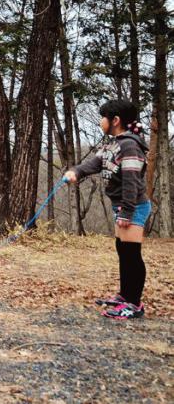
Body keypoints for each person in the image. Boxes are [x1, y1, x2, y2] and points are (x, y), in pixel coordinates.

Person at [63, 100, 150, 319]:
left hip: (133, 206)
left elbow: (132, 182)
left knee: (132, 254)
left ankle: (134, 304)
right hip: (121, 205)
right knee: (123, 249)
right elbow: (95, 163)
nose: (101, 121)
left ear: (116, 120)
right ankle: (124, 295)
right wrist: (76, 172)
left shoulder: (129, 145)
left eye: (103, 117)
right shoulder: (114, 144)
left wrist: (127, 212)